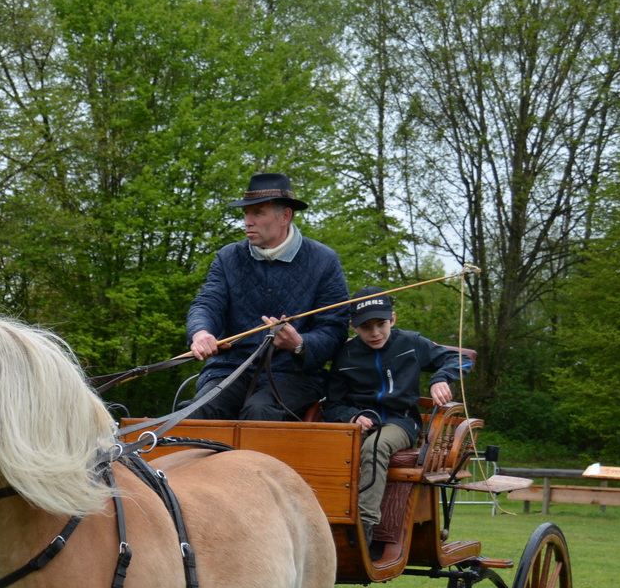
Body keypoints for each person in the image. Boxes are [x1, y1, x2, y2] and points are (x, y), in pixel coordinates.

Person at [184, 172, 350, 420]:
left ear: (285, 216)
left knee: (259, 412)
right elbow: (207, 303)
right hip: (230, 371)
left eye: (258, 213)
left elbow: (334, 329)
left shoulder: (324, 261)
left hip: (295, 376)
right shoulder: (228, 257)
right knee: (195, 413)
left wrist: (299, 344)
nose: (248, 221)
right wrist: (201, 333)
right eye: (246, 213)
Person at [320, 287, 467, 548]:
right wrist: (350, 417)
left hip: (400, 422)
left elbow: (462, 361)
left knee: (375, 446)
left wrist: (440, 378)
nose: (375, 333)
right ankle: (323, 524)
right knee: (325, 448)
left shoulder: (411, 343)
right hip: (358, 424)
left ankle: (364, 528)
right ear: (354, 326)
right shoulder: (345, 355)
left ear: (393, 319)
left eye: (381, 324)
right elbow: (332, 404)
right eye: (366, 326)